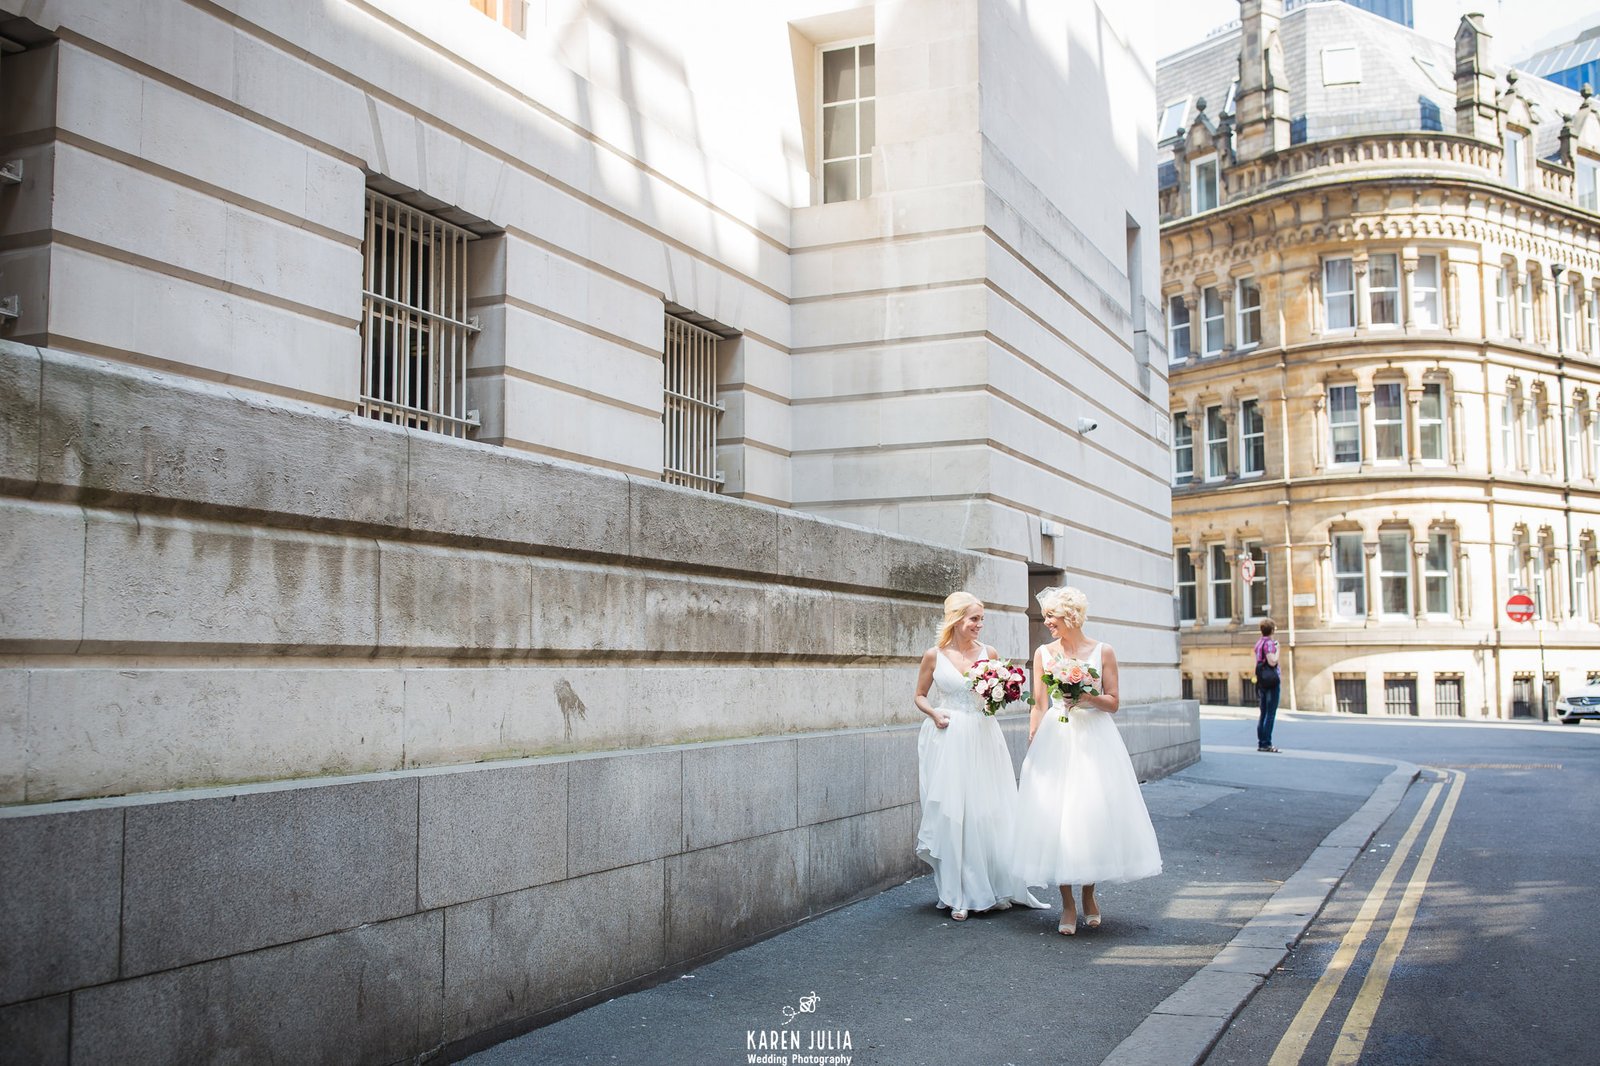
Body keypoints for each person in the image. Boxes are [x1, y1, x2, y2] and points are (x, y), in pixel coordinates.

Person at [1013, 586, 1161, 935]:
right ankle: (1067, 903)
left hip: (1095, 740)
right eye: (1046, 615)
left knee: (1091, 815)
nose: (1047, 621)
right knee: (1057, 817)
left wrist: (1086, 694)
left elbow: (1113, 702)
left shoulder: (1103, 651)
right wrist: (1033, 742)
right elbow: (1039, 703)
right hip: (1057, 739)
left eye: (1052, 616)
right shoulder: (1043, 654)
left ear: (1071, 617)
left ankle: (1089, 894)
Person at [913, 591, 1043, 921]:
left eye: (981, 619)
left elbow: (995, 697)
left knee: (987, 811)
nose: (979, 625)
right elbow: (919, 696)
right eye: (974, 619)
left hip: (984, 737)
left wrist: (1001, 693)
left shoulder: (990, 653)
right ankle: (957, 893)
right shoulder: (934, 655)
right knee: (954, 815)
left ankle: (992, 886)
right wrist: (934, 714)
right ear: (957, 620)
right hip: (948, 737)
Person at [1254, 619, 1282, 752]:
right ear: (1272, 630)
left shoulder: (1259, 643)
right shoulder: (1269, 644)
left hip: (1262, 680)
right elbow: (1272, 661)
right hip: (1271, 681)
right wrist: (1278, 650)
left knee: (1263, 713)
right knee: (1270, 713)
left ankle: (1261, 742)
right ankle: (1267, 743)